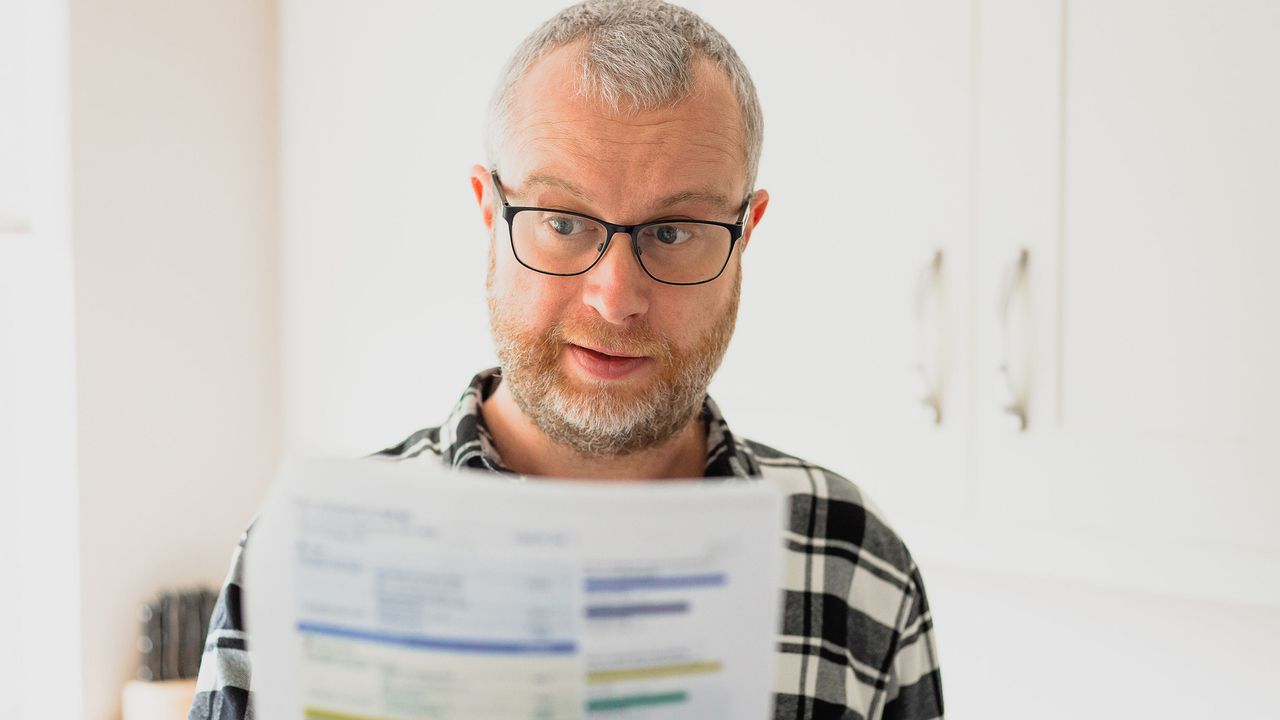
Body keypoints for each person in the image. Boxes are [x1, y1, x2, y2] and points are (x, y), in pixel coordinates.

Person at [188, 1, 944, 718]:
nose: (616, 299)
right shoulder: (303, 564)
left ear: (746, 233)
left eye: (674, 232)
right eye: (561, 222)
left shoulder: (856, 565)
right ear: (490, 214)